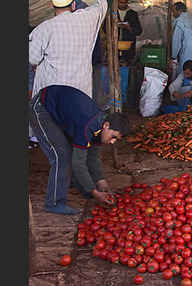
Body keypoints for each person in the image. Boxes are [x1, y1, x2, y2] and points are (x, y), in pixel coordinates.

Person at [29, 0, 123, 215]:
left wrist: (101, 182)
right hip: (45, 107)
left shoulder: (45, 28)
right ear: (74, 5)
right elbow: (102, 4)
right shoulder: (87, 19)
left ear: (53, 6)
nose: (113, 141)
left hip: (59, 98)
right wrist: (95, 191)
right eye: (115, 136)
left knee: (72, 151)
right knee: (62, 154)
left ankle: (75, 185)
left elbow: (32, 57)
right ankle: (54, 202)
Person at [170, 2, 192, 77]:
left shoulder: (180, 22)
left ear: (179, 11)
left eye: (173, 11)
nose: (173, 14)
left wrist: (173, 56)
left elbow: (176, 41)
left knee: (185, 74)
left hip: (188, 52)